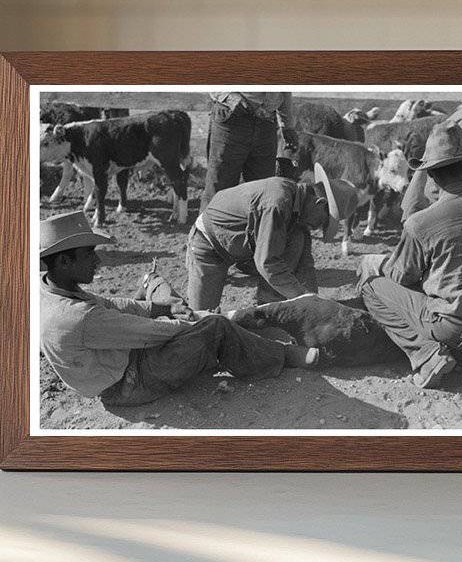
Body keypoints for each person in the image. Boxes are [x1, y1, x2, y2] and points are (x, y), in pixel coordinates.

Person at [38, 212, 319, 407]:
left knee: (168, 301)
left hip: (121, 362)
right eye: (89, 254)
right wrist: (195, 320)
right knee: (215, 327)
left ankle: (153, 285)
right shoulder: (77, 318)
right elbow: (152, 333)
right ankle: (281, 355)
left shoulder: (50, 287)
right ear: (64, 261)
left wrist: (160, 307)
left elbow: (110, 304)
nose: (97, 260)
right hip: (130, 384)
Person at [358, 125, 462, 390]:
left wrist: (378, 261)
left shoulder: (421, 223)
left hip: (456, 329)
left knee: (372, 286)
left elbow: (402, 276)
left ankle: (426, 355)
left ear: (430, 175)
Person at [187, 163, 360, 312]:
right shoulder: (278, 202)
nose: (317, 228)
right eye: (323, 222)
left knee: (297, 240)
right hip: (209, 247)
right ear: (319, 203)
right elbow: (267, 262)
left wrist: (317, 304)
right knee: (202, 321)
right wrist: (304, 298)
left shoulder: (300, 209)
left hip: (244, 246)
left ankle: (267, 307)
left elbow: (306, 266)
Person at [201, 91, 296, 209]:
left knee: (264, 195)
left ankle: (255, 227)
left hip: (266, 122)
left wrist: (287, 125)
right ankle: (206, 227)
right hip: (232, 118)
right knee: (219, 191)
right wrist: (229, 97)